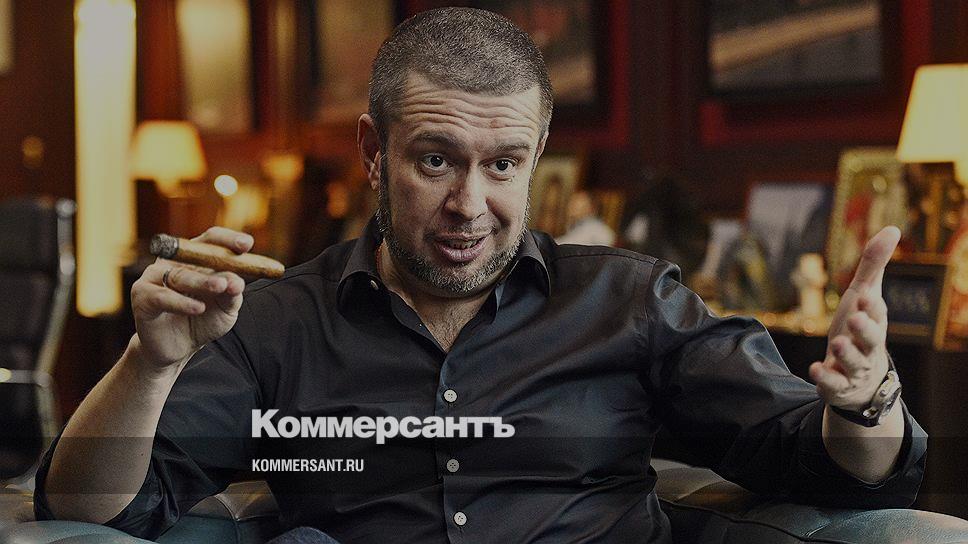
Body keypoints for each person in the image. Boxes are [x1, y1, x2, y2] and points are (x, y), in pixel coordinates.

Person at [37, 7, 924, 544]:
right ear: (374, 152)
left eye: (503, 164)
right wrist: (148, 365)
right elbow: (93, 507)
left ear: (537, 155)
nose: (470, 204)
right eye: (436, 160)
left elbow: (826, 463)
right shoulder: (274, 322)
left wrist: (867, 400)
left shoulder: (630, 301)